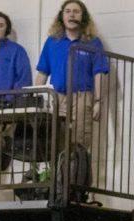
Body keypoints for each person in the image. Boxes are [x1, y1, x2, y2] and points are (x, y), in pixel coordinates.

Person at [35, 0, 108, 145]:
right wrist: (36, 100)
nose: (72, 15)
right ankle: (59, 169)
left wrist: (98, 101)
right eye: (67, 11)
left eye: (76, 11)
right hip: (57, 97)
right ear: (62, 16)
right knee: (57, 142)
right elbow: (42, 73)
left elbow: (99, 72)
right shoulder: (52, 42)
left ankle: (79, 168)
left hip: (82, 97)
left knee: (79, 142)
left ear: (83, 17)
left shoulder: (93, 42)